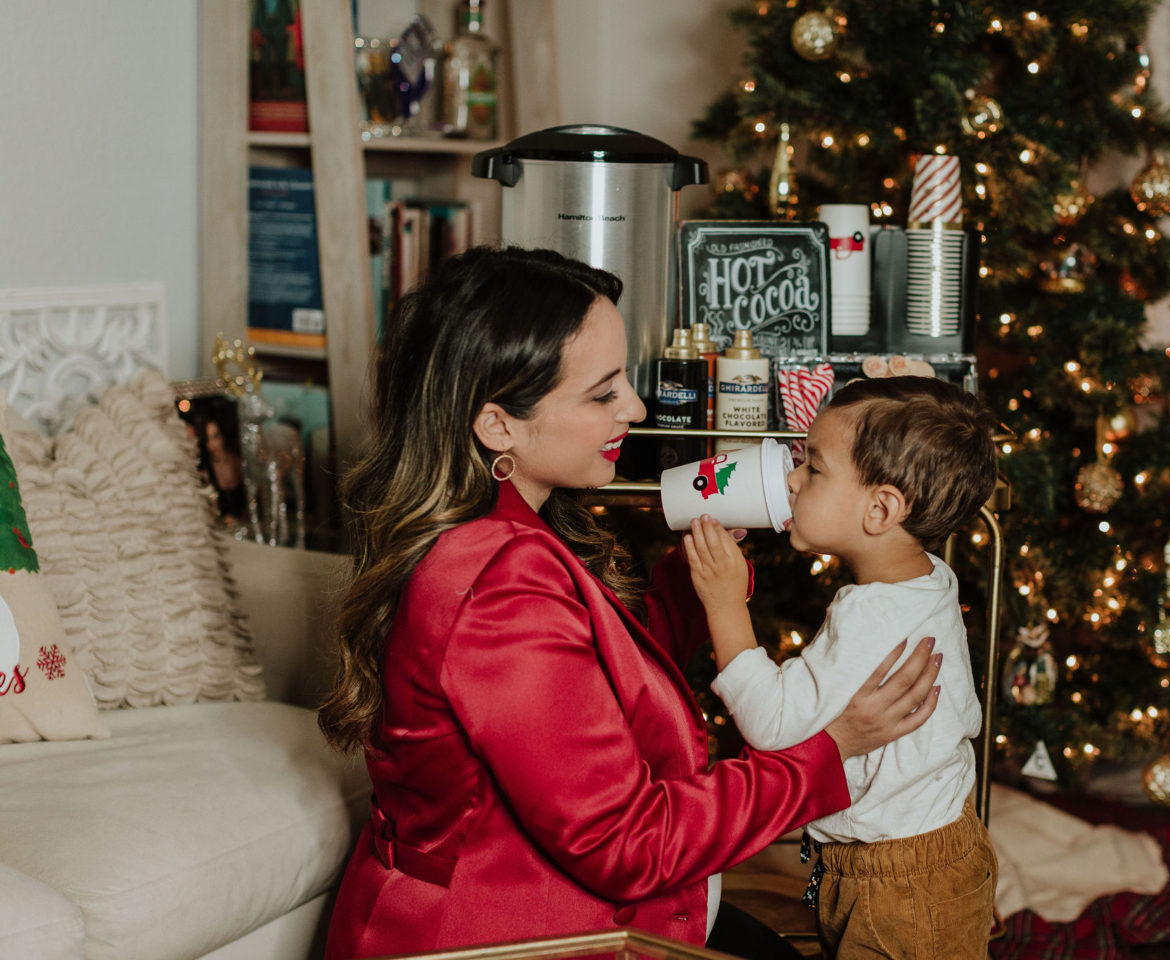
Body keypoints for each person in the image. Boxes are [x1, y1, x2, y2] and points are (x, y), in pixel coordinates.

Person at [317, 245, 945, 960]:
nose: (636, 408)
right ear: (498, 426)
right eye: (603, 393)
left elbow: (587, 690)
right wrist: (828, 752)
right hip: (504, 937)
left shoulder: (513, 528)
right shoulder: (496, 583)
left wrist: (688, 584)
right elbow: (626, 843)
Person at [684, 375, 1002, 960]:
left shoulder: (869, 616)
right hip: (936, 851)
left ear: (880, 508)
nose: (791, 479)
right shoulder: (929, 577)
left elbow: (775, 724)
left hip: (898, 886)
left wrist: (726, 606)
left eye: (814, 468)